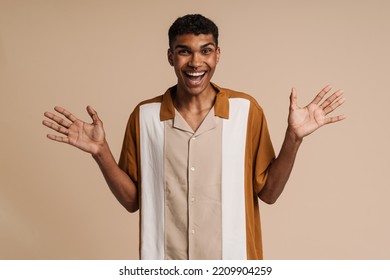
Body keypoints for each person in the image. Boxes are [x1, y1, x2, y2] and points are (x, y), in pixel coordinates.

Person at [42, 14, 346, 260]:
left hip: (234, 265)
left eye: (206, 50)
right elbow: (132, 200)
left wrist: (294, 138)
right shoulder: (145, 116)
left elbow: (268, 194)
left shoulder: (245, 111)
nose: (196, 62)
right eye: (184, 51)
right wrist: (101, 151)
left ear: (217, 54)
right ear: (171, 56)